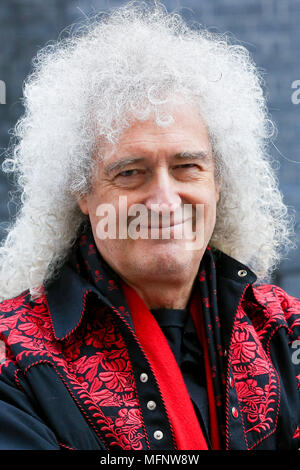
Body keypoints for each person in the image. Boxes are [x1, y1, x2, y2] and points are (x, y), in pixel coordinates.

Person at [0, 1, 299, 451]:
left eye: (187, 167)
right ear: (82, 193)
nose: (163, 201)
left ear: (219, 181)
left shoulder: (285, 330)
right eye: (130, 172)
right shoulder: (13, 359)